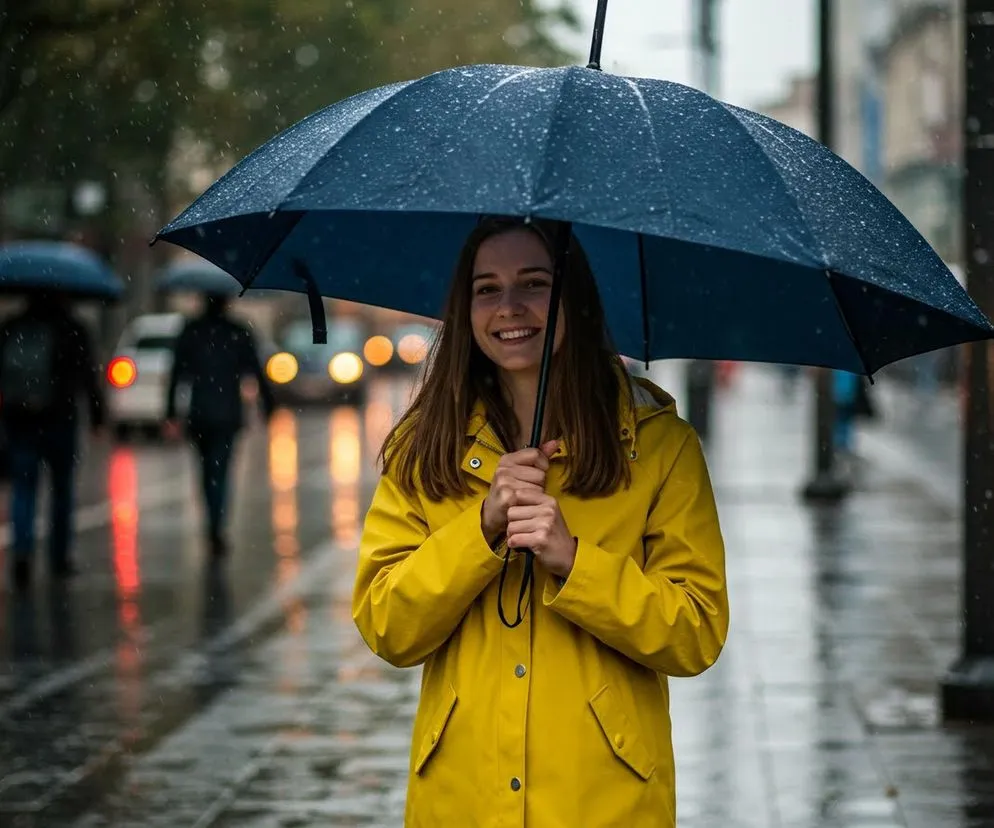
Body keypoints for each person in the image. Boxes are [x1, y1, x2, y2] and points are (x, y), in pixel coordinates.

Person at [352, 218, 729, 827]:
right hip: (461, 800)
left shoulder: (661, 448)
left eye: (534, 283)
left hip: (603, 801)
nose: (509, 307)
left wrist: (575, 563)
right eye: (486, 288)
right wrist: (480, 529)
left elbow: (695, 632)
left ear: (573, 297)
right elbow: (387, 626)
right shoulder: (424, 449)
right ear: (465, 308)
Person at [0, 292, 105, 588]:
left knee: (23, 489)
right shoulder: (72, 328)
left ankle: (22, 552)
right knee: (61, 489)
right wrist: (97, 415)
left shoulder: (12, 326)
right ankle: (59, 557)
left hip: (20, 420)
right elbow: (88, 376)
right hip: (60, 420)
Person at [164, 293, 274, 558]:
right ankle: (217, 526)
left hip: (200, 414)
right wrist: (269, 405)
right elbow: (255, 371)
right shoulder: (237, 332)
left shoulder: (192, 331)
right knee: (221, 471)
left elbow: (177, 373)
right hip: (227, 413)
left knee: (206, 472)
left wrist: (170, 412)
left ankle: (212, 523)